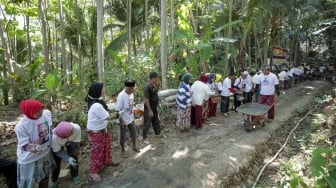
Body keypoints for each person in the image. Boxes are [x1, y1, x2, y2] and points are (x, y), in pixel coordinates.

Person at [14, 99, 53, 188]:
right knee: (28, 182)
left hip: (45, 153)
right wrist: (36, 148)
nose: (40, 112)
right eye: (37, 111)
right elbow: (24, 145)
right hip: (30, 158)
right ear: (29, 112)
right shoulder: (21, 126)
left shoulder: (46, 113)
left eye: (41, 109)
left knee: (45, 176)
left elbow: (49, 127)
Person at [86, 82, 119, 183]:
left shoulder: (97, 101)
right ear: (97, 91)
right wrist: (119, 114)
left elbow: (106, 112)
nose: (104, 91)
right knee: (97, 151)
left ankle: (107, 161)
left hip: (102, 129)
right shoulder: (96, 105)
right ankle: (93, 171)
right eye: (102, 89)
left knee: (106, 146)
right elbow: (108, 116)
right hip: (96, 131)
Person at [51, 122, 82, 187]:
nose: (72, 132)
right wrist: (67, 158)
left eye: (71, 132)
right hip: (58, 147)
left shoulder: (76, 128)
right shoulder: (54, 138)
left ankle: (74, 175)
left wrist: (76, 149)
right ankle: (54, 180)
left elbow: (77, 141)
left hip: (71, 142)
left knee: (74, 157)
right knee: (56, 163)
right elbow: (58, 151)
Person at [115, 79, 140, 158]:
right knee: (122, 136)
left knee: (133, 132)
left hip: (130, 117)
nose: (135, 89)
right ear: (130, 88)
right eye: (134, 87)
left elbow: (131, 105)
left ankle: (134, 146)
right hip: (122, 119)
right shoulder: (121, 96)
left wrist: (134, 112)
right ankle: (122, 150)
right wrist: (121, 121)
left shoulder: (131, 94)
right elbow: (118, 110)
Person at [142, 72, 161, 144]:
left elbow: (155, 94)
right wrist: (149, 110)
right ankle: (144, 138)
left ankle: (158, 134)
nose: (157, 79)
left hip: (154, 106)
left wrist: (158, 102)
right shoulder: (147, 87)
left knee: (156, 120)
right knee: (147, 123)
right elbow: (146, 99)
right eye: (157, 78)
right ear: (153, 78)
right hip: (148, 108)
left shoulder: (155, 85)